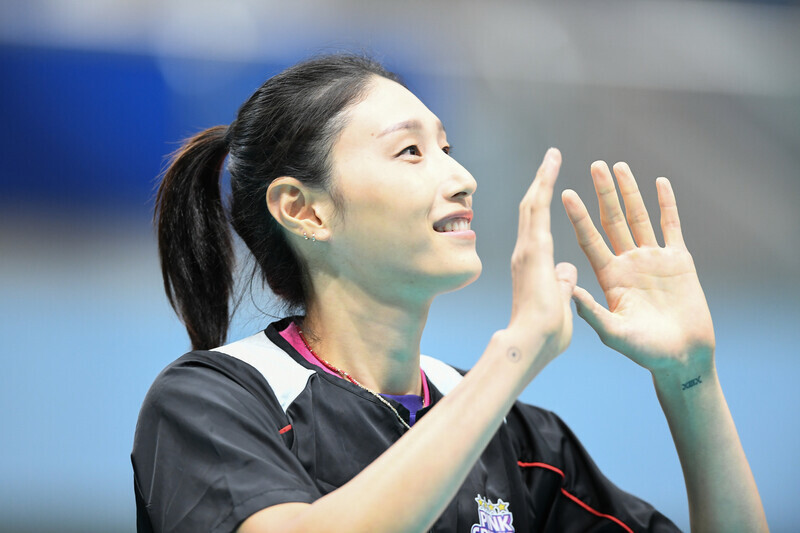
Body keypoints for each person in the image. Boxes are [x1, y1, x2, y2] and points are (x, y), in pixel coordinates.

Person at [132, 54, 768, 533]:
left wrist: (692, 380)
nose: (461, 177)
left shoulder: (520, 444)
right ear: (306, 211)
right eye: (410, 151)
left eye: (448, 147)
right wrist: (514, 356)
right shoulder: (212, 403)